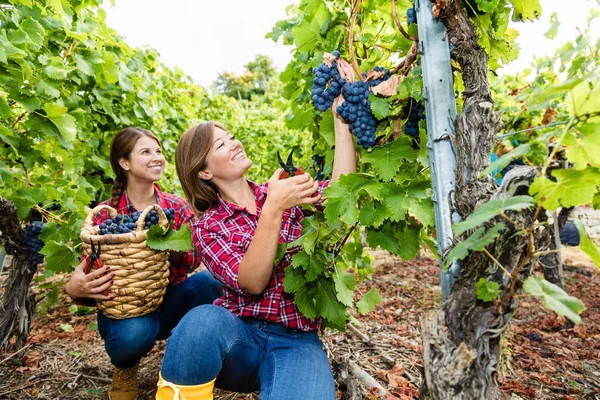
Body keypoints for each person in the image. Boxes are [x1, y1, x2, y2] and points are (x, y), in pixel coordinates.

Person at [155, 61, 356, 400]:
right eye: (220, 145)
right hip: (239, 338)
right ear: (203, 173)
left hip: (297, 342)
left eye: (231, 137)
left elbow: (341, 192)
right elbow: (251, 282)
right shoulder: (208, 227)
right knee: (200, 322)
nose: (234, 143)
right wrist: (274, 209)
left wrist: (341, 121)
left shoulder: (280, 190)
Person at [64, 127, 223, 400]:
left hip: (167, 299)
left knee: (208, 283)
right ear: (124, 163)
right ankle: (125, 366)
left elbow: (192, 259)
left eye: (159, 151)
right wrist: (74, 288)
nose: (157, 158)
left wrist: (164, 243)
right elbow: (89, 271)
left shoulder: (174, 207)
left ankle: (184, 359)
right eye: (146, 152)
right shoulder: (105, 215)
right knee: (136, 332)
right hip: (126, 309)